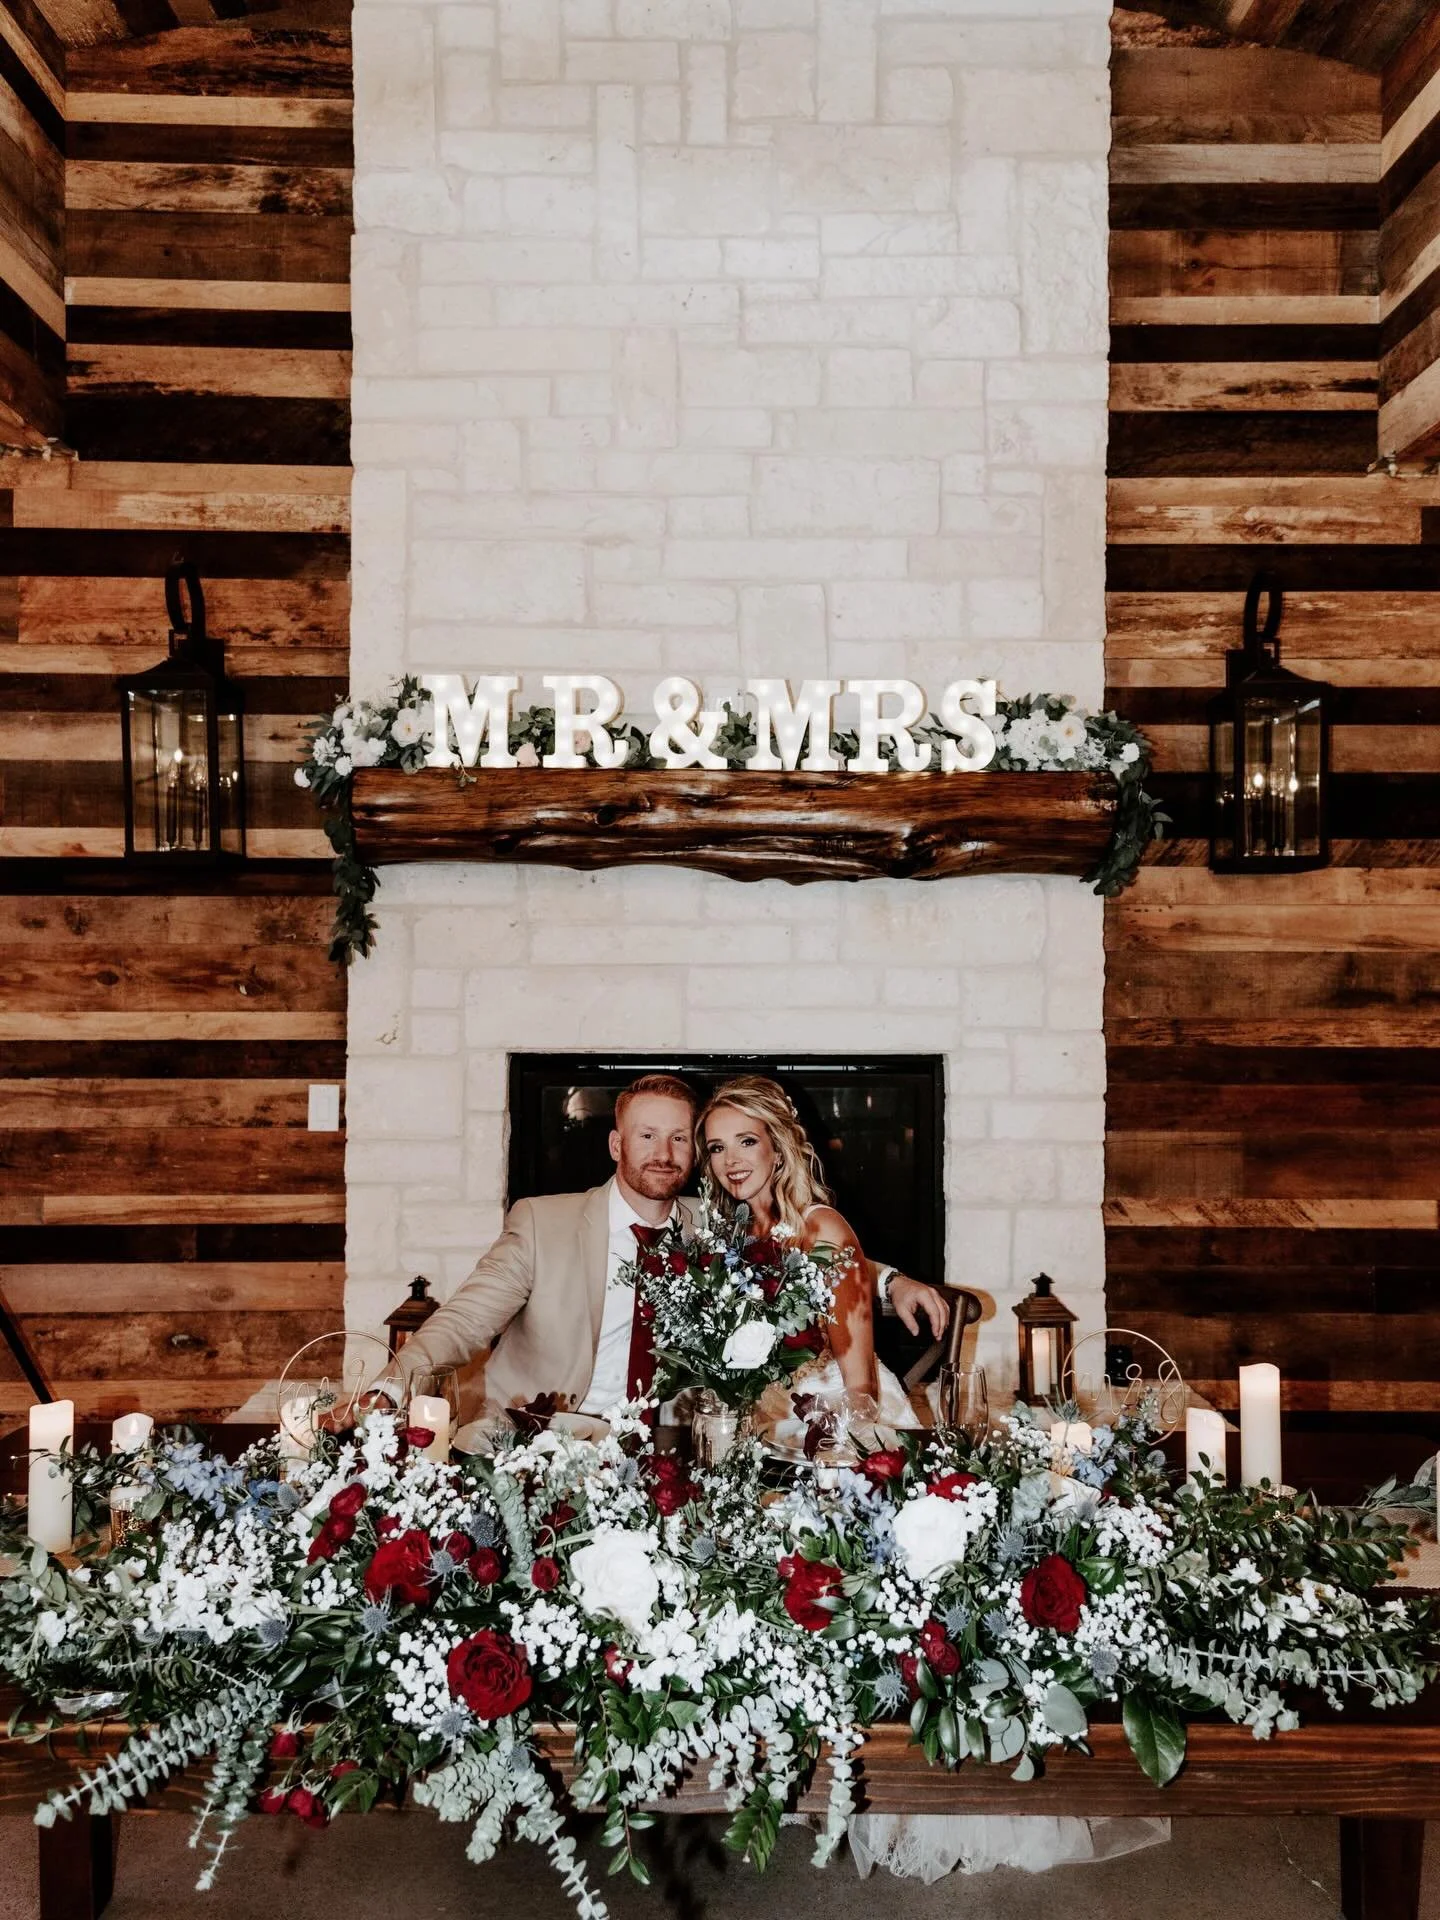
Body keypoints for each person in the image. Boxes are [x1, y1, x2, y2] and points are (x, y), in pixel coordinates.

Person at [389, 1072, 948, 1437]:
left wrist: (889, 1280)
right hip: (543, 1427)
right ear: (616, 1144)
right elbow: (463, 1321)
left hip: (672, 1441)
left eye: (681, 1138)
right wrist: (390, 1385)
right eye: (647, 1136)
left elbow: (807, 1248)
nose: (664, 1153)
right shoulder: (543, 1222)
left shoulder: (711, 1224)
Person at [697, 1075, 918, 1428]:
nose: (730, 1161)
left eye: (747, 1141)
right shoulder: (734, 1233)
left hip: (830, 1415)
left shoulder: (822, 1228)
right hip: (760, 1415)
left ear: (779, 1148)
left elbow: (860, 1385)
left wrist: (835, 1447)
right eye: (717, 1148)